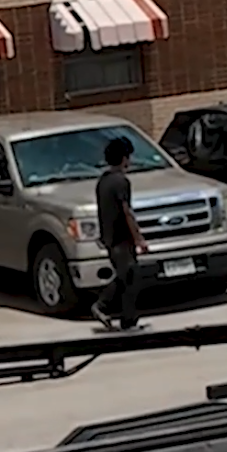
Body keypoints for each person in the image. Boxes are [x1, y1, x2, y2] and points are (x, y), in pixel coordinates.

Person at [93, 133, 144, 331]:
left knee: (127, 280)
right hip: (122, 238)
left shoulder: (103, 181)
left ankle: (128, 321)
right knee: (128, 276)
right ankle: (102, 306)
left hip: (109, 238)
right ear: (124, 158)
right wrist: (139, 238)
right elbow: (127, 212)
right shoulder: (121, 182)